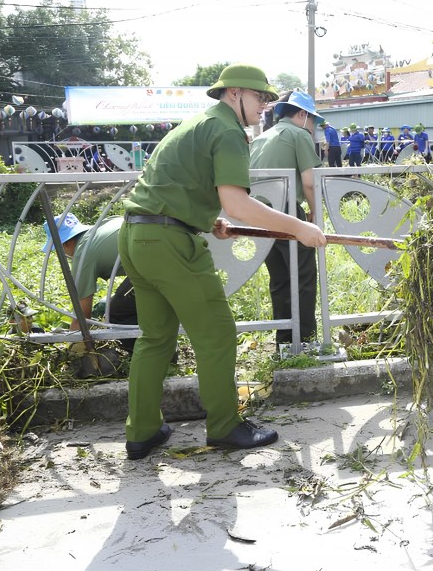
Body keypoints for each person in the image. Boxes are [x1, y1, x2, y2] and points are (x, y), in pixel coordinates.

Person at [117, 63, 327, 460]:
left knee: (154, 339)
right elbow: (239, 204)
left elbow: (179, 184)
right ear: (235, 94)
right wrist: (299, 226)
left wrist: (204, 218)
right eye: (260, 97)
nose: (265, 106)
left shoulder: (198, 123)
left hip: (138, 235)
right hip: (169, 243)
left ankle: (141, 432)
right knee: (216, 333)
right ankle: (226, 426)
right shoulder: (229, 129)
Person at [249, 90, 325, 348]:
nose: (314, 127)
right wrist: (315, 214)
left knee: (280, 278)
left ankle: (284, 341)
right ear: (302, 114)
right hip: (287, 211)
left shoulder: (262, 137)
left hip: (260, 214)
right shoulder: (298, 134)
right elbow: (309, 182)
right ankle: (304, 341)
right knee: (303, 277)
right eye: (314, 120)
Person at [43, 213, 138, 353]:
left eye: (59, 250)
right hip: (163, 248)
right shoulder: (103, 224)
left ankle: (138, 356)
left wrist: (72, 347)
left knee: (116, 313)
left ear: (65, 243)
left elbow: (81, 317)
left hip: (151, 265)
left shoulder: (83, 255)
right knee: (124, 303)